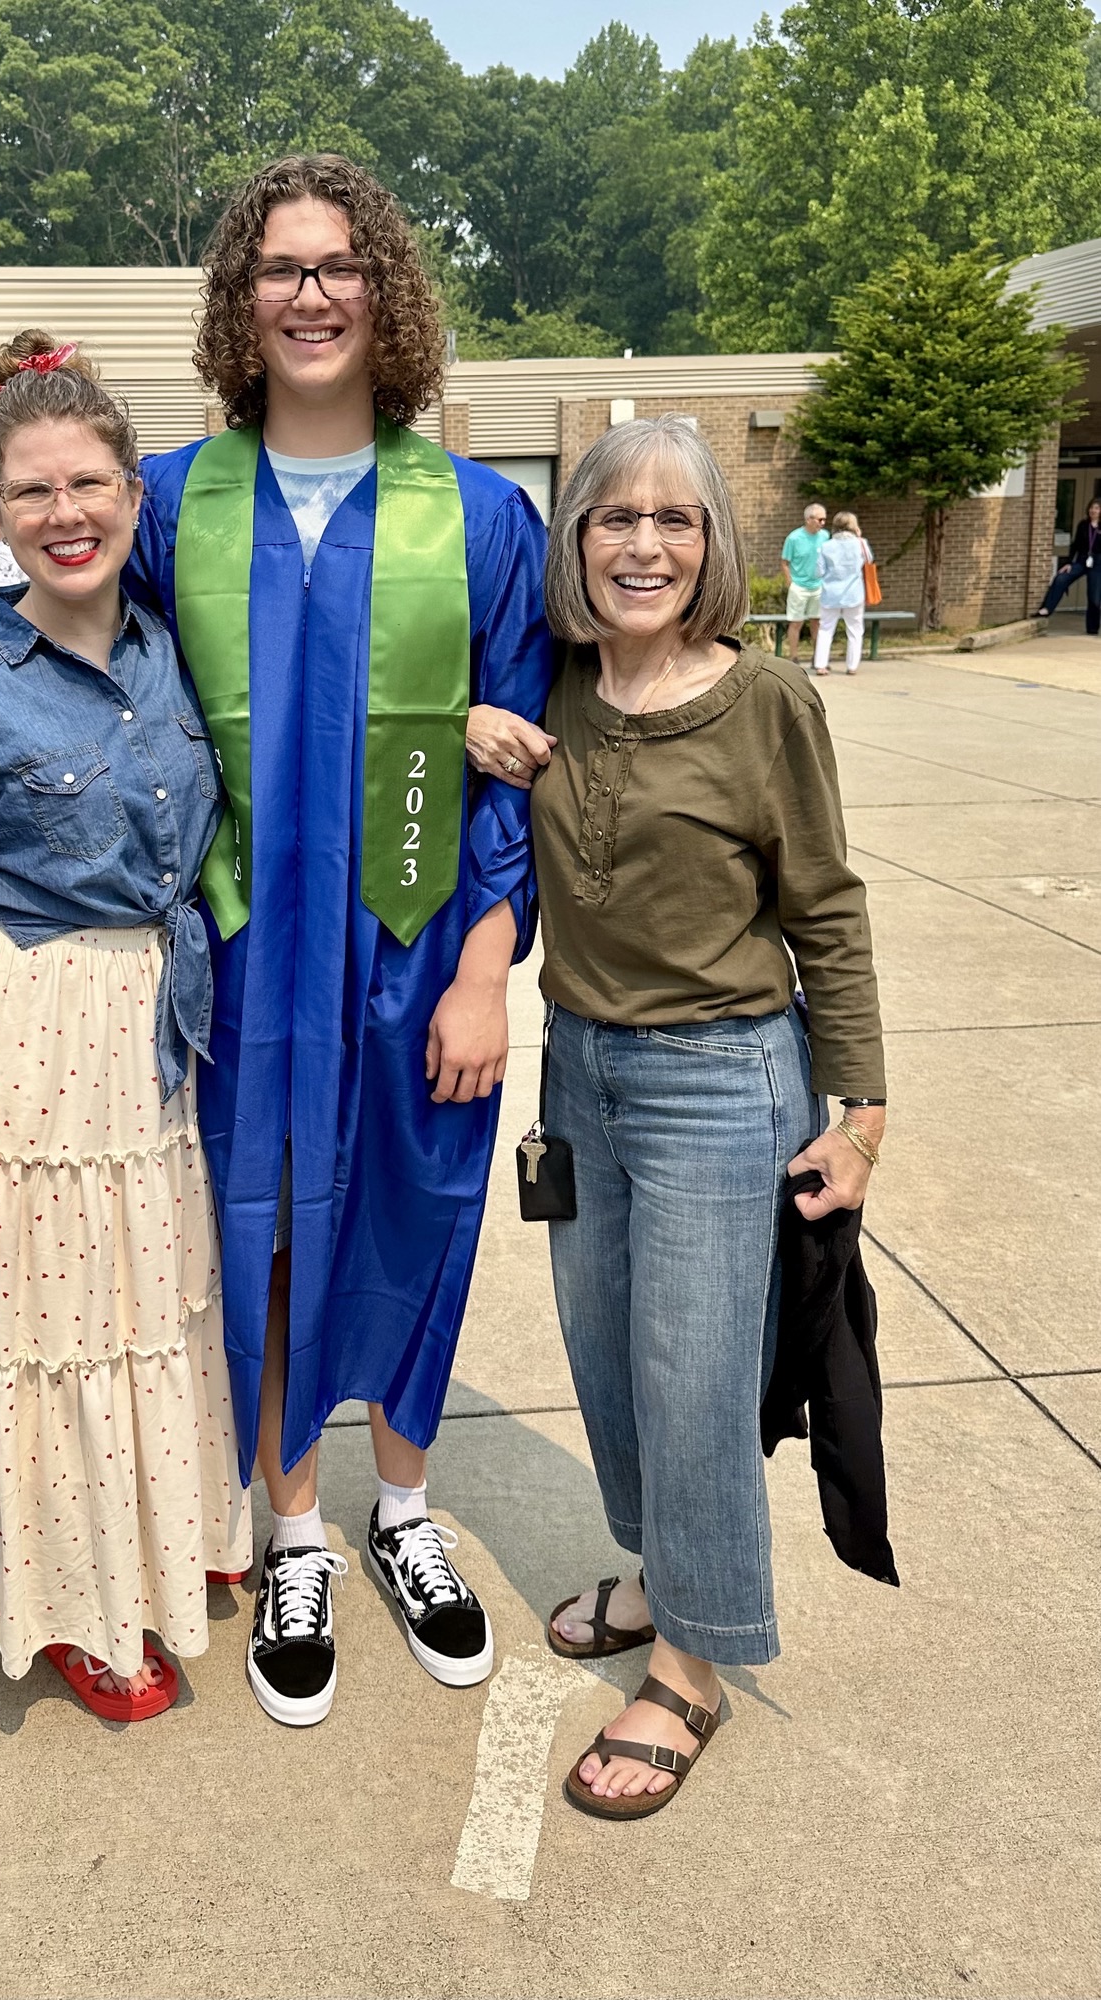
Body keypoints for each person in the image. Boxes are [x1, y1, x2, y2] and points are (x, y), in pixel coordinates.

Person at [0, 155, 553, 1729]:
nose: (311, 293)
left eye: (340, 266)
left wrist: (478, 961)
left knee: (419, 1209)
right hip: (232, 955)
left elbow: (528, 743)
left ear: (387, 291)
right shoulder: (174, 499)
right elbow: (67, 646)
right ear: (241, 298)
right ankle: (291, 1524)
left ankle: (403, 1509)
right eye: (280, 268)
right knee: (252, 1236)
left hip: (411, 945)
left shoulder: (487, 514)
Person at [0, 338, 251, 1722]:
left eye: (91, 481)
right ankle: (66, 1602)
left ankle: (149, 1543)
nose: (66, 511)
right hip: (21, 1042)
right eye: (33, 491)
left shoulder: (174, 656)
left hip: (145, 1034)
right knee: (33, 1339)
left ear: (136, 495)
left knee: (137, 1313)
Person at [531, 416, 885, 1820]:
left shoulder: (768, 705)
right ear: (577, 542)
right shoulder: (549, 688)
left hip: (717, 1081)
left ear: (716, 546)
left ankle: (694, 1660)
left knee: (692, 1379)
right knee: (605, 1351)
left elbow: (831, 913)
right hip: (579, 1075)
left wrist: (859, 1115)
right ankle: (656, 1570)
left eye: (676, 520)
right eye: (615, 518)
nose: (644, 544)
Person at [813, 511, 873, 675]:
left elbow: (818, 571)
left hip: (830, 593)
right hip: (854, 593)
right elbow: (869, 560)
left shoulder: (826, 546)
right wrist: (860, 536)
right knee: (854, 630)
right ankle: (852, 666)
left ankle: (820, 664)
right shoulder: (860, 543)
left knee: (825, 629)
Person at [1036, 496, 1101, 630]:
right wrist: (1069, 563)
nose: (1093, 511)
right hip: (1082, 560)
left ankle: (1092, 628)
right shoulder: (1083, 525)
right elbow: (1075, 545)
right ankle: (1047, 608)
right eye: (1091, 508)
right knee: (1061, 578)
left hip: (1098, 562)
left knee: (1094, 596)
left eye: (1096, 508)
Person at [780, 502, 827, 665]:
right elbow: (785, 562)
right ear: (809, 519)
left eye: (824, 520)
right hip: (799, 586)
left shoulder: (825, 536)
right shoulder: (794, 538)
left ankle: (818, 656)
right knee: (796, 622)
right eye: (820, 520)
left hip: (818, 586)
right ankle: (793, 657)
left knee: (817, 622)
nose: (822, 523)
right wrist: (790, 582)